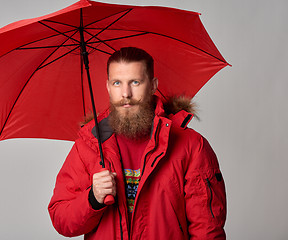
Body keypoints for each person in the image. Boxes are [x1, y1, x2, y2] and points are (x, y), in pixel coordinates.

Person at [48, 47, 226, 239]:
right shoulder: (89, 145)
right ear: (108, 86)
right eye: (117, 83)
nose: (126, 93)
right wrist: (93, 198)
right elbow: (62, 220)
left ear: (153, 85)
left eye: (135, 82)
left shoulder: (190, 145)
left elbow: (207, 229)